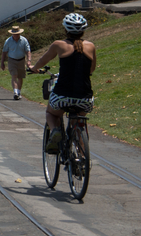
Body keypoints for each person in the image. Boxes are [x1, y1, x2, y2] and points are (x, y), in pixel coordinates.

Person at [32, 13, 97, 154]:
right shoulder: (91, 46)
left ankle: (55, 130)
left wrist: (34, 68)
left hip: (63, 96)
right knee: (79, 122)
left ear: (65, 30)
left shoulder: (58, 45)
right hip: (85, 98)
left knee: (51, 113)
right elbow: (91, 70)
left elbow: (43, 60)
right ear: (83, 31)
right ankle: (82, 157)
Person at [0, 25, 32, 100]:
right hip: (12, 60)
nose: (16, 35)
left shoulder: (24, 40)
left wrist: (29, 60)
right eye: (14, 34)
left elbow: (28, 51)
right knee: (14, 75)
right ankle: (15, 93)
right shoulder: (8, 41)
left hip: (21, 60)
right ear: (12, 34)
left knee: (20, 77)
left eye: (17, 34)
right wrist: (2, 62)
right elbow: (4, 52)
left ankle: (19, 92)